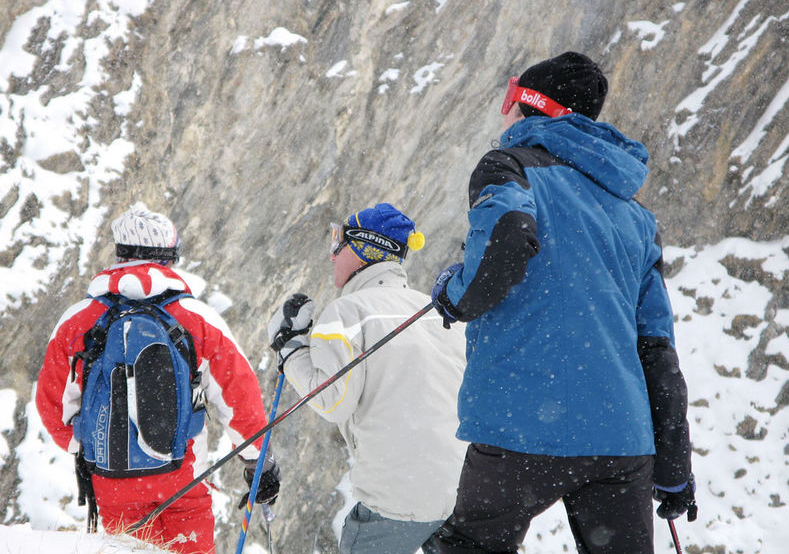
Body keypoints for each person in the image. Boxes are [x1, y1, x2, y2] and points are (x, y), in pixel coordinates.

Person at [428, 52, 696, 554]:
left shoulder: (509, 167)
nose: (504, 112)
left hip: (520, 428)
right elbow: (656, 346)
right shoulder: (636, 216)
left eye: (510, 99)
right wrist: (675, 466)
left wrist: (454, 295)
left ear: (530, 106)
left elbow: (507, 235)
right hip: (621, 440)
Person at [36, 202, 280, 554]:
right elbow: (238, 393)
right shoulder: (196, 318)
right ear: (168, 258)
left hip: (111, 480)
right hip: (181, 475)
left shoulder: (78, 321)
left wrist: (91, 445)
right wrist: (259, 461)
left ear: (119, 255)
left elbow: (52, 406)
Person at [267, 203, 467, 554]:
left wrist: (290, 350)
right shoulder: (437, 310)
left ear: (363, 249)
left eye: (338, 243)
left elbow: (333, 402)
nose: (331, 256)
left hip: (397, 496)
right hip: (461, 490)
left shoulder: (347, 312)